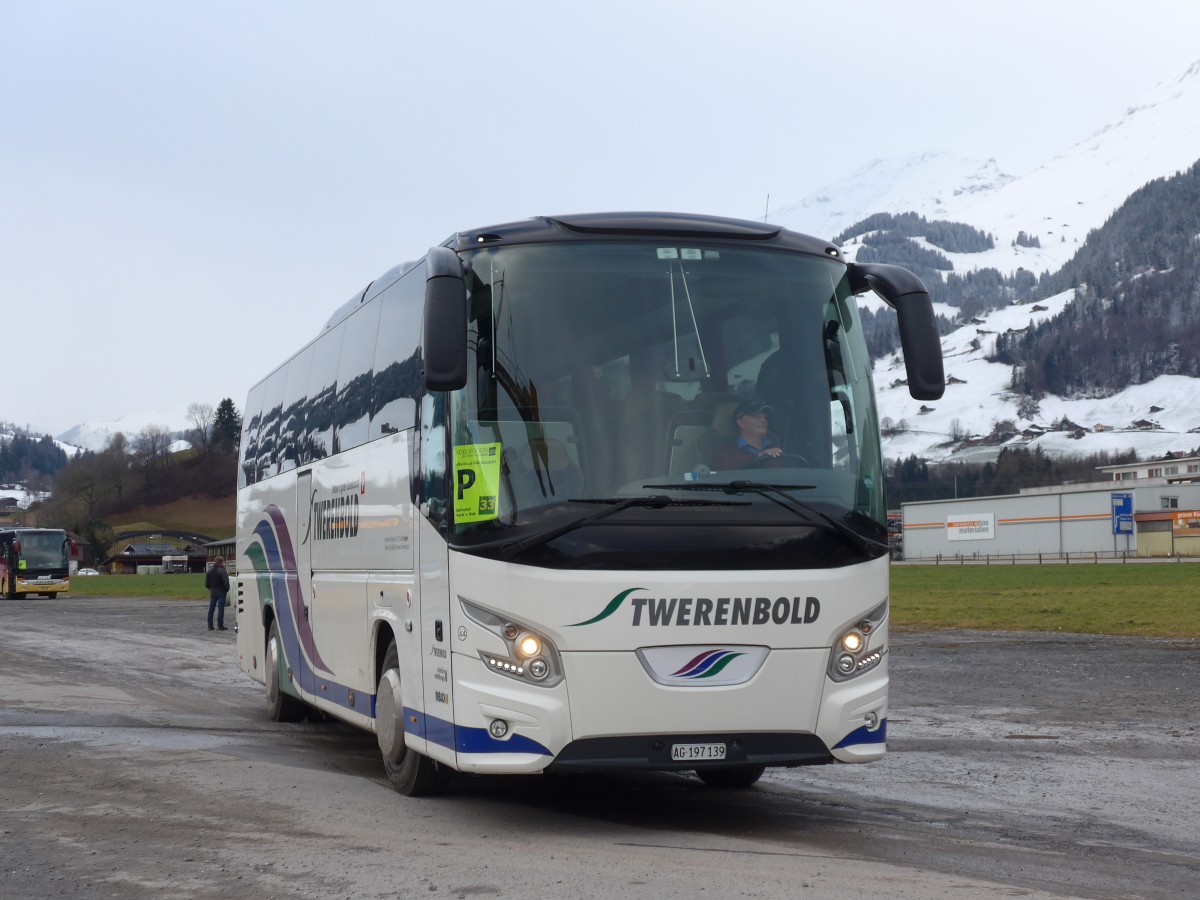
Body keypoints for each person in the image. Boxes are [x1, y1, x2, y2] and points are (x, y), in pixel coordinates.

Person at [715, 399, 785, 469]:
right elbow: (728, 473)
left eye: (765, 417)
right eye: (756, 416)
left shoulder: (776, 450)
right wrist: (759, 458)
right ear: (740, 422)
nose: (763, 420)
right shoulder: (727, 452)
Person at [205, 556, 230, 631]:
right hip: (221, 591)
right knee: (221, 609)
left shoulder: (209, 571)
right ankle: (220, 625)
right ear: (222, 562)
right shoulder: (222, 571)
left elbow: (206, 583)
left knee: (211, 609)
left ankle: (210, 626)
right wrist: (226, 589)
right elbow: (226, 582)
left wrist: (210, 589)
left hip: (212, 591)